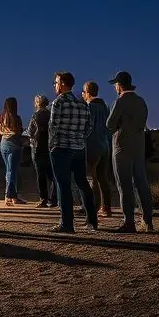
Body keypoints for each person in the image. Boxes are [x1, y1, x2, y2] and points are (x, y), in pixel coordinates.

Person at [48, 71, 98, 233]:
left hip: (61, 148)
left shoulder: (58, 103)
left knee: (63, 185)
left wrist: (53, 144)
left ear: (62, 83)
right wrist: (79, 138)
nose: (54, 85)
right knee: (82, 182)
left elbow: (53, 126)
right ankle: (92, 220)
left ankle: (67, 223)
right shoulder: (82, 104)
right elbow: (89, 127)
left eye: (56, 82)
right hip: (78, 148)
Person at [106, 71, 155, 233]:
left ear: (119, 85)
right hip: (138, 147)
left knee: (124, 185)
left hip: (121, 147)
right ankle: (147, 221)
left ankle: (129, 223)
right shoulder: (141, 101)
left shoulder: (120, 101)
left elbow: (110, 124)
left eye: (115, 84)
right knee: (141, 183)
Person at [82, 81, 114, 218]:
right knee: (103, 177)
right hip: (105, 144)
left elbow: (87, 127)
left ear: (88, 93)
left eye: (83, 92)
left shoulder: (89, 107)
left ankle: (92, 208)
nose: (82, 94)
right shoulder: (105, 106)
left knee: (91, 177)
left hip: (92, 145)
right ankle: (106, 207)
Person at [0, 97, 28, 206]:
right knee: (12, 171)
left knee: (9, 170)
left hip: (3, 144)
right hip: (14, 145)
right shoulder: (16, 118)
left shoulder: (1, 118)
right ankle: (9, 195)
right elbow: (19, 132)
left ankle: (13, 196)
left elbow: (0, 131)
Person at [27, 95, 56, 208]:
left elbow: (30, 132)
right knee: (51, 175)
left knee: (40, 175)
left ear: (37, 103)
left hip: (37, 147)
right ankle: (54, 198)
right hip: (49, 147)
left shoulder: (35, 115)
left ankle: (43, 198)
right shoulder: (51, 115)